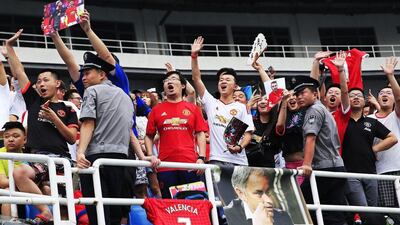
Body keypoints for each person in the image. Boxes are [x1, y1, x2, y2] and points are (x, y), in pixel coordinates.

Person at [76, 52, 159, 225]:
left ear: (101, 74)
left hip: (95, 158)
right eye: (83, 73)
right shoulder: (126, 97)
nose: (83, 77)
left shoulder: (92, 91)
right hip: (122, 160)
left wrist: (80, 152)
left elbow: (88, 123)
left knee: (97, 211)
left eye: (88, 72)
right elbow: (130, 131)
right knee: (115, 212)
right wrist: (142, 157)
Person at [191, 36, 254, 166]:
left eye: (227, 79)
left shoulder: (242, 107)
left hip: (239, 161)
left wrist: (240, 147)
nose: (223, 81)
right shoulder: (211, 103)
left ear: (235, 86)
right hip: (217, 160)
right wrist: (194, 56)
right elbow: (196, 79)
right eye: (221, 80)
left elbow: (248, 133)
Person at [294, 76, 347, 225]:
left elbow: (311, 138)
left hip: (325, 168)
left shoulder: (314, 110)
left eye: (302, 93)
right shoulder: (322, 108)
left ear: (315, 94)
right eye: (296, 94)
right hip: (335, 167)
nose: (298, 97)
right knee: (332, 214)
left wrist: (306, 165)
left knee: (299, 203)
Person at [145, 70, 207, 198]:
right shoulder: (156, 110)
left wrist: (201, 157)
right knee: (170, 206)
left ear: (183, 85)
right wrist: (150, 155)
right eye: (166, 81)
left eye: (173, 79)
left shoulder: (193, 108)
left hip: (190, 165)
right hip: (165, 166)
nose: (169, 82)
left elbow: (200, 133)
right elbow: (149, 136)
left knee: (194, 204)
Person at [341, 88, 397, 223]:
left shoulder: (371, 122)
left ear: (364, 101)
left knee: (373, 211)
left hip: (371, 173)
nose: (355, 97)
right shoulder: (341, 121)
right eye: (352, 95)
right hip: (350, 174)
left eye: (359, 96)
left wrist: (374, 149)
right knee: (364, 210)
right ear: (347, 100)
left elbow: (392, 138)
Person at [368, 57, 400, 223]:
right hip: (378, 173)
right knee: (387, 216)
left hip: (398, 169)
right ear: (377, 99)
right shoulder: (369, 119)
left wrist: (390, 76)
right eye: (382, 93)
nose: (385, 95)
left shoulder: (396, 116)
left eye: (389, 93)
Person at [224, 166, 294, 225]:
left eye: (268, 192)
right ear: (241, 193)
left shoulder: (282, 216)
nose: (269, 201)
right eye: (258, 193)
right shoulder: (226, 217)